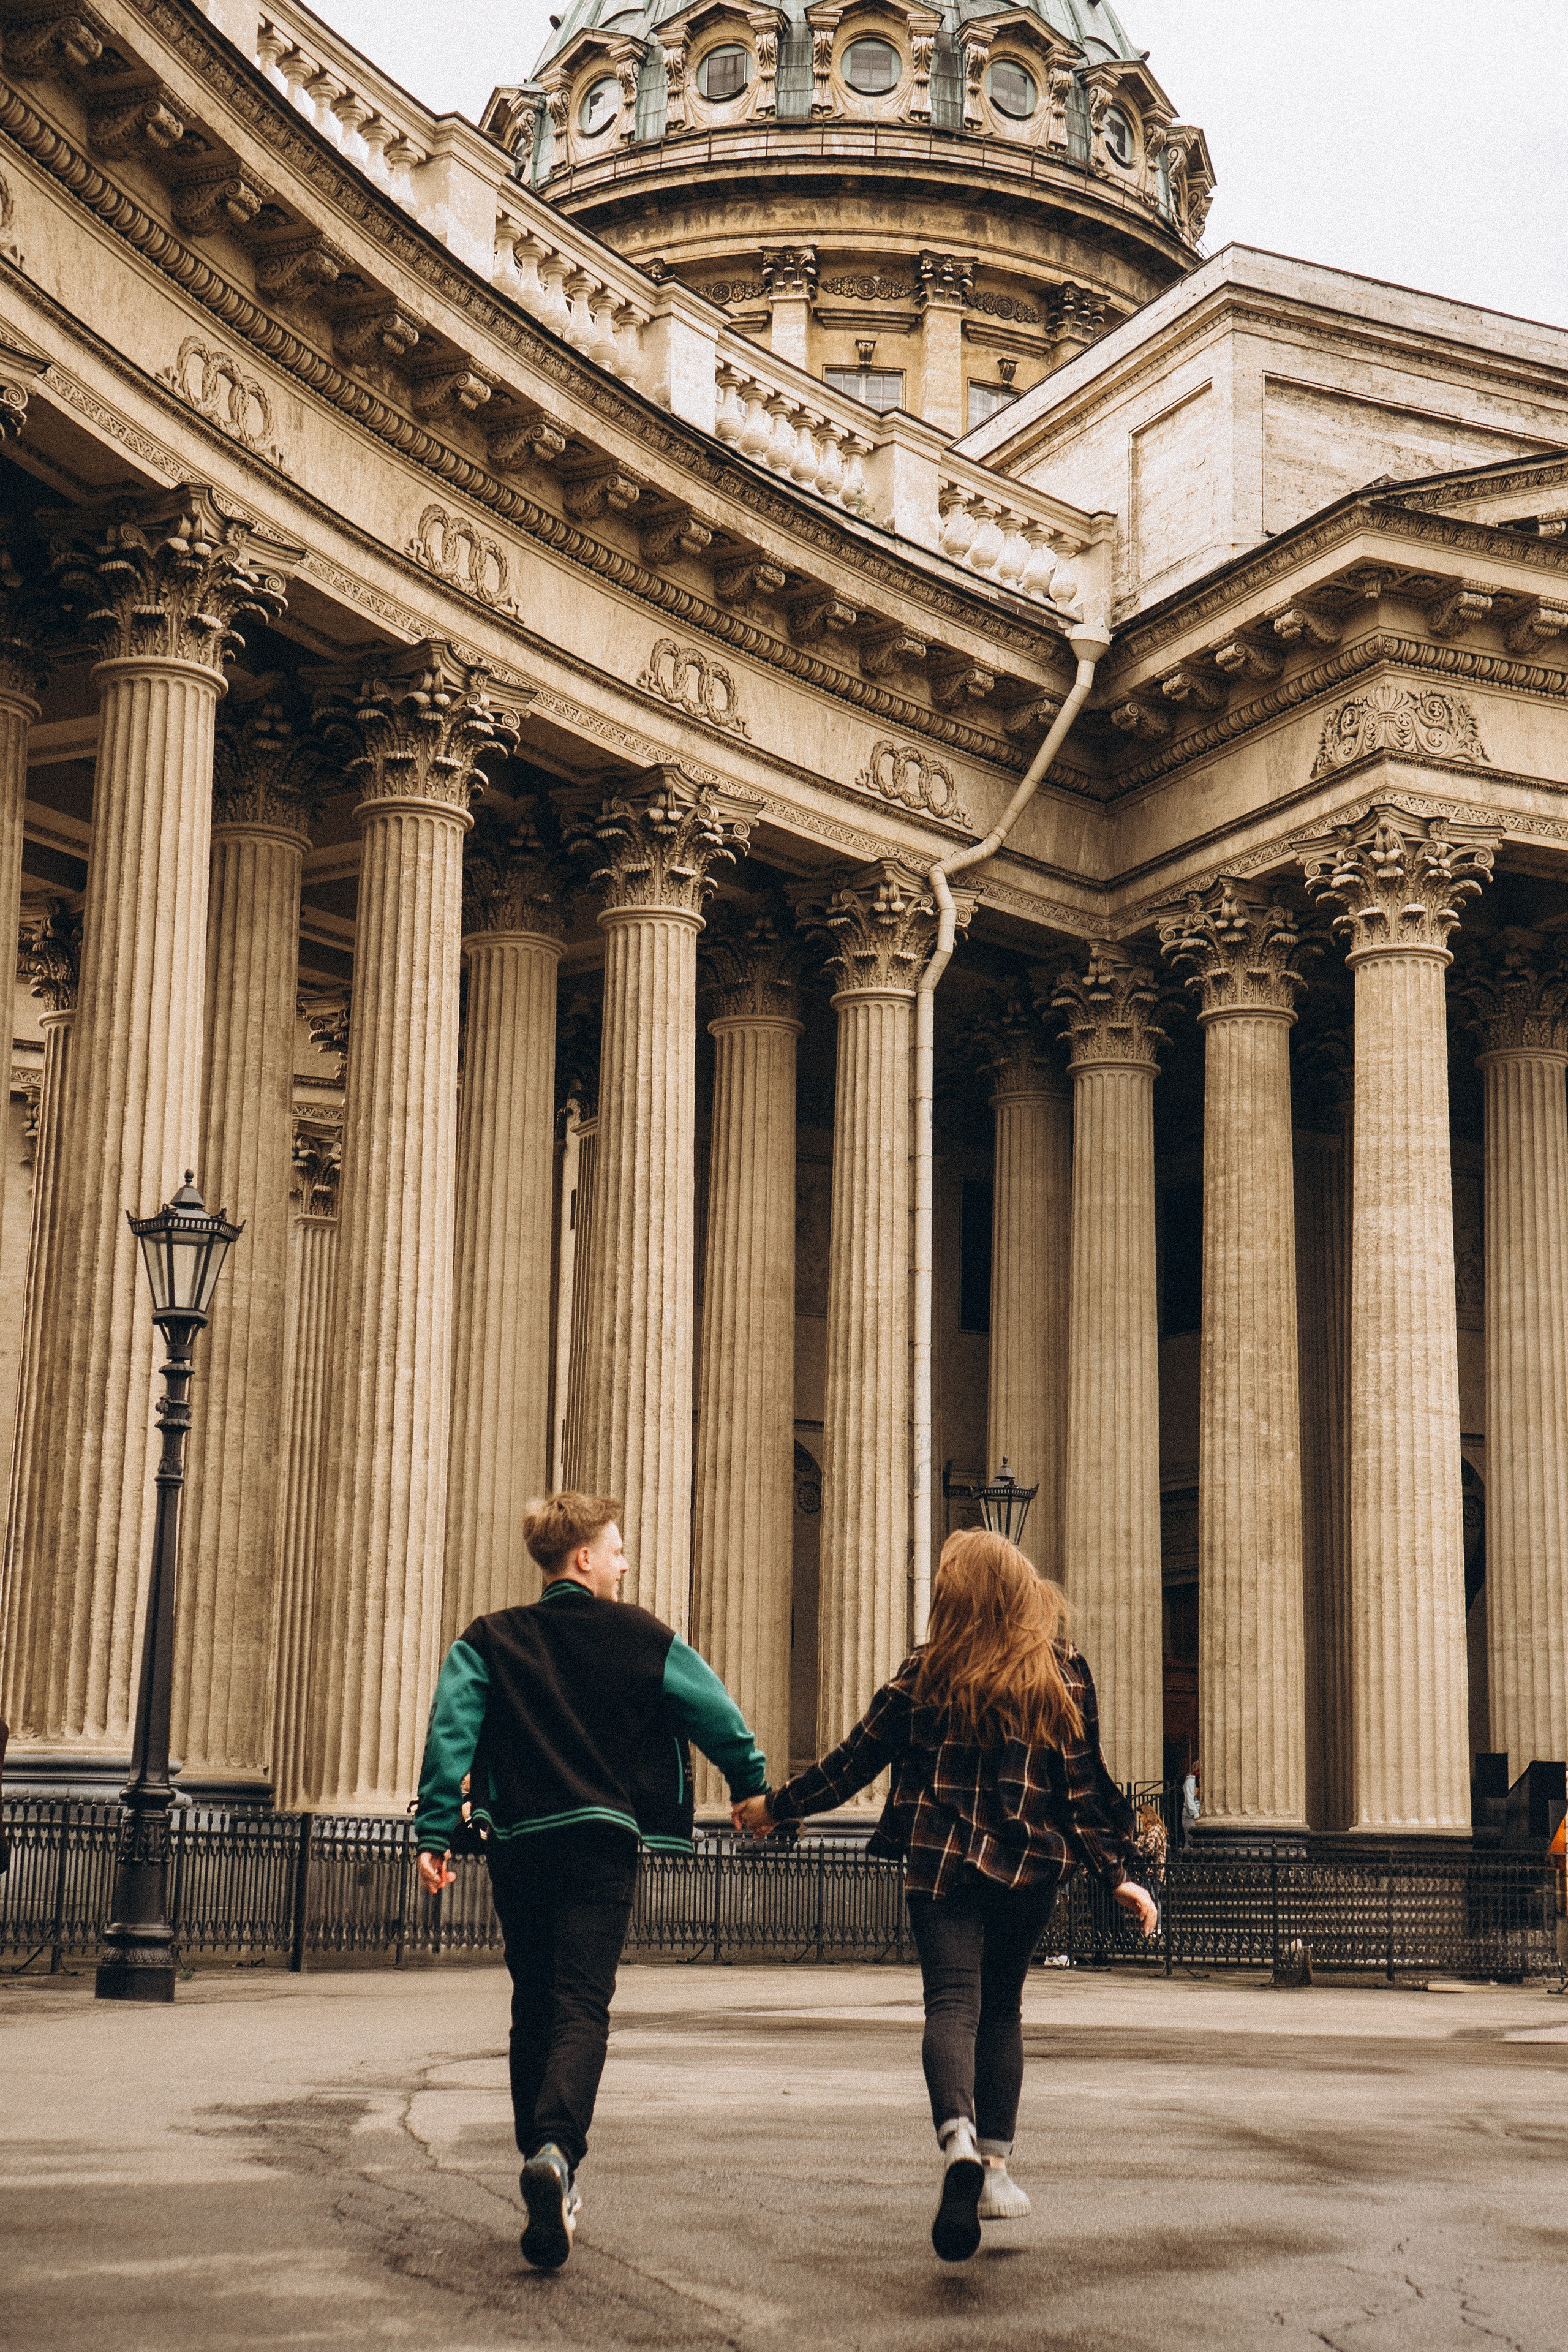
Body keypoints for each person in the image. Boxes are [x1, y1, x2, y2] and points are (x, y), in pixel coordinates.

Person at [733, 1528, 1157, 2263]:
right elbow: (1086, 1787)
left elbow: (851, 1761)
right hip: (1031, 1867)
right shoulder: (1062, 1672)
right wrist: (1117, 1873)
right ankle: (993, 2169)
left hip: (940, 1865)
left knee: (951, 2006)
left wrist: (776, 1807)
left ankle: (955, 2134)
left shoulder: (926, 1672)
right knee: (1003, 2010)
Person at [415, 1491, 769, 2271]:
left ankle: (540, 2161)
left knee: (531, 2004)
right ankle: (555, 2149)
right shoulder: (643, 1636)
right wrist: (751, 1784)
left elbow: (452, 1731)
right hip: (600, 1845)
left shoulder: (488, 1639)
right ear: (582, 1557)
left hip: (517, 1845)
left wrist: (436, 1830)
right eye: (616, 1550)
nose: (623, 1563)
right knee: (583, 2003)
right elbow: (714, 1711)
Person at [1180, 1758, 1201, 1849]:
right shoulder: (1190, 1781)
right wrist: (1196, 1816)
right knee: (1190, 1843)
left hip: (1198, 1816)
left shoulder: (1199, 1781)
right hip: (1190, 1818)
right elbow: (1189, 1801)